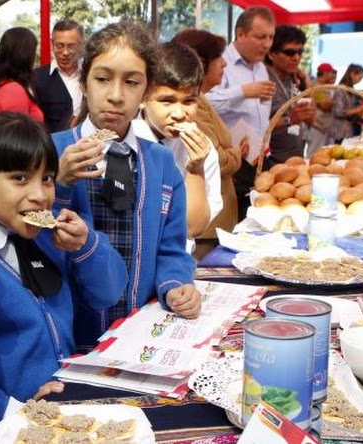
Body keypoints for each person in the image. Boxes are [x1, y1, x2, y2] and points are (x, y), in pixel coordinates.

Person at [0, 112, 126, 443]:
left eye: (48, 178)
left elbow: (108, 293)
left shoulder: (50, 233)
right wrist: (16, 411)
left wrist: (87, 246)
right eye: (20, 178)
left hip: (67, 413)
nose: (41, 195)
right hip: (2, 429)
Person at [51, 21, 202, 350]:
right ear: (84, 83)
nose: (116, 96)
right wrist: (60, 185)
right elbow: (28, 241)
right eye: (103, 79)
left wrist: (175, 284)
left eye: (132, 82)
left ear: (146, 92)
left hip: (138, 336)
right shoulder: (51, 153)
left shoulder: (162, 165)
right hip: (68, 339)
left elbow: (171, 250)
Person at [133, 41, 223, 254]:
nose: (179, 113)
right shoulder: (126, 140)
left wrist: (195, 168)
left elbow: (193, 227)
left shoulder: (202, 148)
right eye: (167, 101)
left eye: (188, 101)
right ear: (143, 98)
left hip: (176, 263)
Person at [172, 29, 243, 258]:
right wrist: (236, 154)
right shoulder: (192, 108)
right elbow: (209, 153)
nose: (224, 64)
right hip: (203, 229)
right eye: (218, 58)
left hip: (213, 221)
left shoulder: (201, 101)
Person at [207, 5, 276, 221]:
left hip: (258, 157)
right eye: (260, 37)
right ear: (240, 34)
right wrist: (242, 92)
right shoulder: (221, 63)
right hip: (231, 160)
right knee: (233, 220)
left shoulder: (261, 67)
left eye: (271, 37)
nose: (267, 44)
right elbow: (205, 103)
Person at [264, 25, 316, 167]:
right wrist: (289, 119)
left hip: (294, 159)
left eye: (300, 52)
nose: (296, 58)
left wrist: (306, 84)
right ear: (271, 54)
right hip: (271, 163)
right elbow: (257, 127)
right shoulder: (263, 80)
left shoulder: (293, 79)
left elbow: (311, 119)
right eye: (289, 52)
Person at [32, 19, 84, 132]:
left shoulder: (91, 74)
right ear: (52, 44)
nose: (65, 53)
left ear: (81, 45)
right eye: (59, 46)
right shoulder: (37, 78)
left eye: (71, 46)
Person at [0, 27, 44, 123]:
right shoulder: (13, 91)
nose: (34, 58)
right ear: (24, 56)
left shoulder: (7, 86)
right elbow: (18, 136)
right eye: (33, 53)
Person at [306, 62, 339, 154]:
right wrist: (338, 103)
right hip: (318, 126)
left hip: (325, 126)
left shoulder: (324, 86)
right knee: (314, 154)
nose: (333, 75)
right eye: (331, 73)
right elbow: (324, 105)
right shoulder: (317, 87)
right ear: (325, 73)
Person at [334, 63, 363, 139]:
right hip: (339, 131)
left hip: (348, 130)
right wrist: (359, 109)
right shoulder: (341, 89)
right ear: (352, 74)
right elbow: (339, 112)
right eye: (360, 78)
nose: (360, 81)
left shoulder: (350, 89)